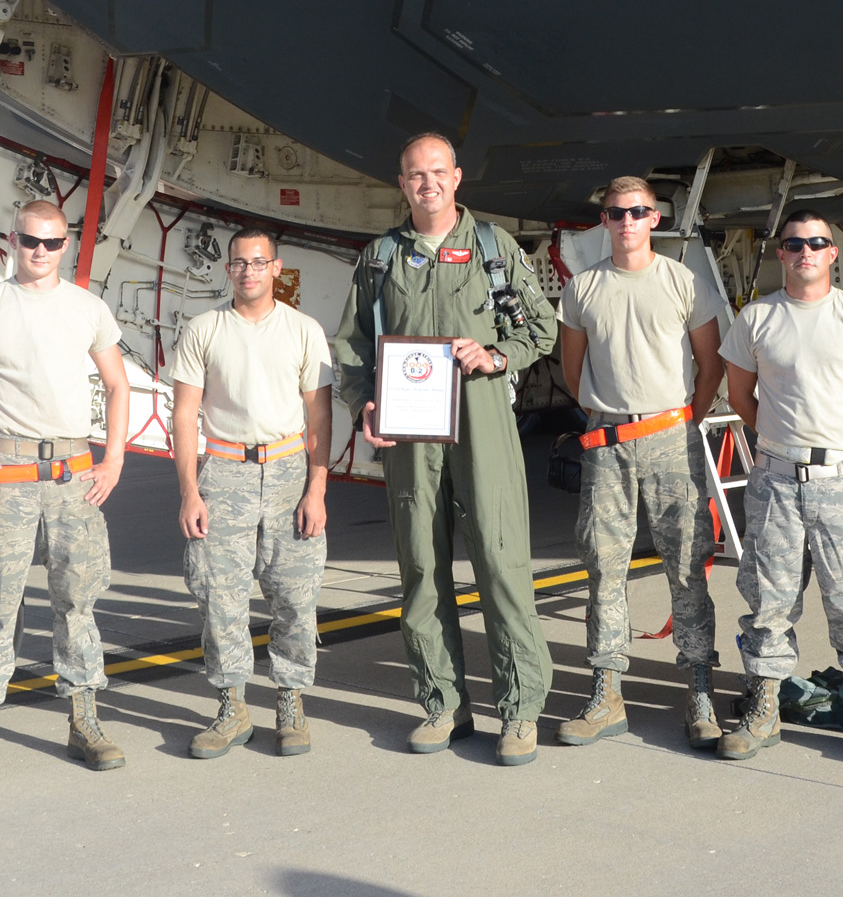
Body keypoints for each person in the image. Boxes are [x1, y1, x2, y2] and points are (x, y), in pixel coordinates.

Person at [332, 131, 559, 765]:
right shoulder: (380, 258)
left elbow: (540, 325)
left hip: (482, 417)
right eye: (413, 174)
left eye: (437, 172)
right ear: (401, 184)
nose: (426, 182)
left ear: (457, 178)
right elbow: (350, 346)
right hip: (410, 432)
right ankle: (443, 704)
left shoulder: (493, 249)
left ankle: (519, 711)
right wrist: (364, 403)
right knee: (422, 569)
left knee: (501, 560)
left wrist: (496, 354)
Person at [0, 198, 133, 783]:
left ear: (66, 246)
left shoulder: (88, 309)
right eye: (29, 241)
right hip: (6, 480)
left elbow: (119, 386)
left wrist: (113, 461)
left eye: (52, 243)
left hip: (74, 480)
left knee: (78, 606)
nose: (40, 252)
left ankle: (84, 721)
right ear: (11, 241)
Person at [716, 207, 843, 765]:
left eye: (816, 243)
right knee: (769, 602)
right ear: (782, 254)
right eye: (795, 244)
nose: (805, 252)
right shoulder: (757, 318)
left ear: (832, 253)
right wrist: (785, 445)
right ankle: (765, 707)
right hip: (776, 481)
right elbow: (741, 396)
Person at [554, 176, 726, 751]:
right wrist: (606, 422)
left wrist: (682, 421)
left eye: (637, 212)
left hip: (671, 438)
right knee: (604, 565)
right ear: (603, 221)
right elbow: (572, 371)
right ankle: (606, 690)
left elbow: (710, 366)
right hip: (608, 443)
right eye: (614, 213)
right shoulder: (583, 288)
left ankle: (699, 687)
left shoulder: (683, 282)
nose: (626, 221)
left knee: (687, 563)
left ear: (655, 219)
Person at [169, 229, 334, 759]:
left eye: (258, 263)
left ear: (276, 268)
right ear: (228, 270)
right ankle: (232, 707)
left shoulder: (304, 330)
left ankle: (290, 703)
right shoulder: (204, 329)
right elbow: (184, 415)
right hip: (225, 473)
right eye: (239, 264)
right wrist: (190, 491)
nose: (249, 272)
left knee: (294, 596)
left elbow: (319, 416)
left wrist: (317, 488)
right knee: (220, 596)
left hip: (288, 471)